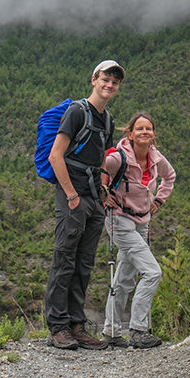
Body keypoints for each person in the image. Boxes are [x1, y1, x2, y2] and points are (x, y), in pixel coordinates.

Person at [45, 60, 125, 350]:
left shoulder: (107, 119)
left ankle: (77, 326)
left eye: (115, 82)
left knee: (84, 264)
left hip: (93, 197)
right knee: (64, 259)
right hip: (73, 196)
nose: (110, 85)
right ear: (93, 79)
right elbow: (56, 155)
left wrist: (103, 187)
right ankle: (58, 327)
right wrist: (71, 196)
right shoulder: (77, 112)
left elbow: (102, 155)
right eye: (105, 79)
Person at [101, 112, 176, 349]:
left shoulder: (155, 158)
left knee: (124, 278)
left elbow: (170, 177)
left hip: (142, 222)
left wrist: (159, 201)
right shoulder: (118, 158)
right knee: (153, 272)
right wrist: (103, 194)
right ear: (130, 134)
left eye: (149, 129)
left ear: (154, 134)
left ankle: (111, 331)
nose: (145, 132)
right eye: (140, 129)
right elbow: (97, 169)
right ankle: (137, 330)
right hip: (119, 220)